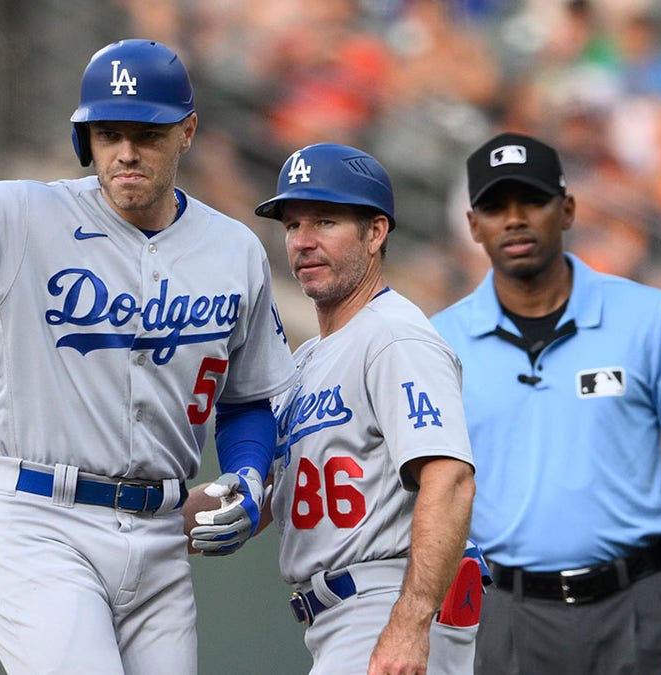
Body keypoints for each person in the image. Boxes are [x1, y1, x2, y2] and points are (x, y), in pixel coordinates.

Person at [0, 11, 296, 674]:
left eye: (148, 134)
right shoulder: (24, 217)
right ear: (86, 138)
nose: (126, 152)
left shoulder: (233, 250)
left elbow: (248, 397)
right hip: (39, 524)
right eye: (109, 134)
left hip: (162, 540)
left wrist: (250, 474)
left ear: (187, 132)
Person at [430, 131, 661, 675]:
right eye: (495, 206)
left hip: (637, 605)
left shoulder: (647, 316)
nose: (515, 219)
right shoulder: (439, 342)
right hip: (504, 611)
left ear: (568, 209)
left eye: (532, 200)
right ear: (473, 223)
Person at [188, 143, 481, 675]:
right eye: (293, 224)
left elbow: (451, 478)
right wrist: (135, 520)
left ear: (375, 232)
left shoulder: (394, 336)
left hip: (387, 601)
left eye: (325, 221)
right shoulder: (306, 360)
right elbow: (271, 496)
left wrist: (410, 623)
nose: (303, 242)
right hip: (338, 619)